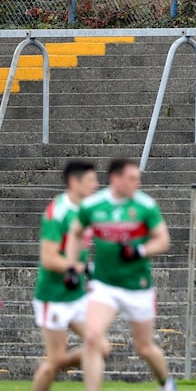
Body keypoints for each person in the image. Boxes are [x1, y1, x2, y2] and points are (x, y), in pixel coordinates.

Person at [66, 158, 174, 391]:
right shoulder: (93, 206)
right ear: (115, 179)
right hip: (105, 285)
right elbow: (75, 233)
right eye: (132, 178)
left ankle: (166, 384)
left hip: (138, 286)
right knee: (93, 338)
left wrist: (140, 250)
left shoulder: (145, 206)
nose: (138, 182)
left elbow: (164, 241)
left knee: (143, 346)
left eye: (138, 178)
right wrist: (72, 265)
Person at [32, 161, 101, 391]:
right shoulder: (57, 212)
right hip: (52, 296)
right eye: (91, 180)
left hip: (76, 295)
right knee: (56, 363)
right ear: (74, 182)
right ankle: (51, 363)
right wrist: (83, 269)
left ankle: (52, 362)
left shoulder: (87, 211)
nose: (96, 185)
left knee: (101, 347)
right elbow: (49, 259)